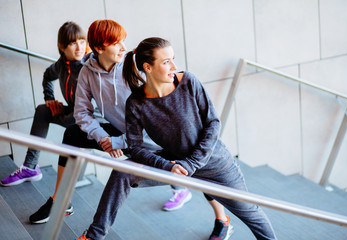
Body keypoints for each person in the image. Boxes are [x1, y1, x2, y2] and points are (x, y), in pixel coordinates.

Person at [76, 38, 277, 240]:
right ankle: (94, 236)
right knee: (122, 172)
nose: (173, 66)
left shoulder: (188, 82)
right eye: (166, 62)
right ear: (148, 67)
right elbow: (136, 148)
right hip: (174, 165)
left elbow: (213, 123)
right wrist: (167, 166)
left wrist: (191, 163)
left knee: (252, 215)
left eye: (173, 59)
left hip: (214, 164)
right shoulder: (136, 103)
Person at [28, 19, 191, 224]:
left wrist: (119, 142)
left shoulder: (135, 67)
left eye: (123, 41)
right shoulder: (88, 72)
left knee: (204, 169)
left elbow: (157, 117)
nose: (123, 47)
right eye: (116, 43)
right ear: (98, 48)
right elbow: (82, 113)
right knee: (71, 134)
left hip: (152, 140)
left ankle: (221, 218)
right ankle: (60, 199)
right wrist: (103, 137)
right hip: (120, 134)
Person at [0, 21, 89, 189]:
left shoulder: (89, 66)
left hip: (89, 119)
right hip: (73, 113)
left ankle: (62, 194)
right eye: (73, 43)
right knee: (43, 110)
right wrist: (50, 99)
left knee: (70, 131)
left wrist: (61, 115)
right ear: (62, 47)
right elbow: (48, 76)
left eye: (82, 41)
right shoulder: (62, 64)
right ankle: (30, 167)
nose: (79, 47)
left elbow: (89, 108)